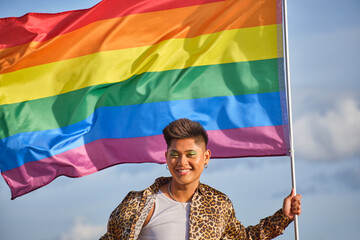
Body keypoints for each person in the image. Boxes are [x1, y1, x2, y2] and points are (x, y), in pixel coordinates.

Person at [100, 118, 302, 240]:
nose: (182, 162)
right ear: (166, 157)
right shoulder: (137, 204)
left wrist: (283, 217)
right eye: (174, 154)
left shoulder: (219, 204)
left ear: (206, 157)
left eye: (190, 154)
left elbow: (245, 238)